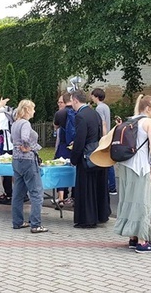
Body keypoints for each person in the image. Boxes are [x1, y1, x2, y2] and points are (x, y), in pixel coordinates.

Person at [113, 94, 151, 253]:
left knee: (129, 199)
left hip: (126, 165)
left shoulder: (131, 120)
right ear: (148, 108)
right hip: (140, 167)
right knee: (143, 201)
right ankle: (142, 241)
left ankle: (132, 237)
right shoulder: (149, 122)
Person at [69, 90, 110, 229]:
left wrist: (74, 158)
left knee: (86, 188)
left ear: (75, 100)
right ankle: (100, 215)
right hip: (97, 153)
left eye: (71, 101)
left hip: (86, 155)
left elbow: (80, 139)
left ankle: (87, 219)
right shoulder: (95, 113)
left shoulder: (80, 116)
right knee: (97, 187)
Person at [10, 99, 49, 233]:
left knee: (18, 193)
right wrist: (29, 147)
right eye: (33, 108)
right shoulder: (25, 123)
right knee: (36, 193)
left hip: (16, 159)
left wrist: (19, 146)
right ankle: (36, 224)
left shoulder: (15, 123)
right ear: (27, 110)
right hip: (27, 160)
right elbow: (25, 138)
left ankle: (17, 221)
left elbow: (12, 140)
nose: (34, 111)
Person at [91, 88, 116, 195]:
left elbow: (103, 123)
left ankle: (109, 186)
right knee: (108, 162)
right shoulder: (105, 106)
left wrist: (104, 138)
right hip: (108, 135)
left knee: (104, 162)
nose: (91, 97)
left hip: (104, 136)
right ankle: (112, 186)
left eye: (92, 95)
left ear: (96, 96)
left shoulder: (99, 108)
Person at [53, 93, 74, 207]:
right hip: (75, 146)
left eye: (60, 102)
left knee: (60, 170)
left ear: (65, 102)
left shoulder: (60, 113)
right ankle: (75, 197)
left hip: (63, 145)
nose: (59, 104)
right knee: (75, 170)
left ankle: (61, 198)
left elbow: (56, 126)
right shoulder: (79, 111)